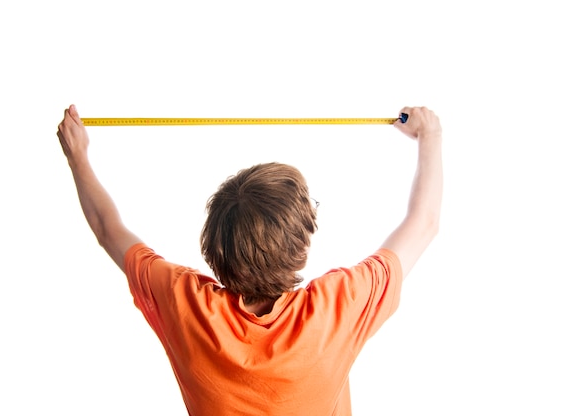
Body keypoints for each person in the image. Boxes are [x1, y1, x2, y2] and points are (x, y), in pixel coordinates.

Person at [57, 105, 442, 416]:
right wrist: (430, 135)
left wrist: (78, 157)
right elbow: (423, 223)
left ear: (214, 244)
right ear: (301, 246)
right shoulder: (339, 307)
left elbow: (108, 230)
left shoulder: (185, 304)